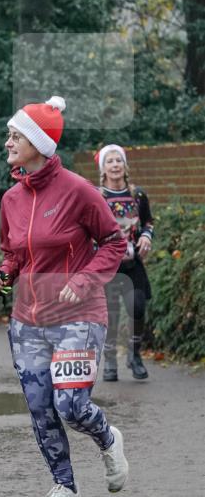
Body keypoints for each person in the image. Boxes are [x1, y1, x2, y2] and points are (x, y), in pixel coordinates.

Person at [0, 96, 130, 497]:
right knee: (41, 407)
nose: (8, 142)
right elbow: (14, 254)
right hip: (27, 320)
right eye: (10, 135)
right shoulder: (11, 198)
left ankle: (107, 438)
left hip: (78, 316)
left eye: (16, 136)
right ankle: (66, 488)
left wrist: (84, 279)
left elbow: (114, 242)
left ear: (38, 143)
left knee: (71, 405)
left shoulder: (79, 191)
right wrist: (3, 275)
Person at [96, 144, 154, 381]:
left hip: (133, 265)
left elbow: (148, 222)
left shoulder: (137, 195)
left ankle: (134, 355)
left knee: (137, 307)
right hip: (107, 266)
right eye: (110, 161)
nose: (115, 165)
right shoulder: (97, 197)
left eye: (118, 160)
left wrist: (146, 236)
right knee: (109, 314)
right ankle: (110, 360)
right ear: (103, 168)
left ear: (125, 165)